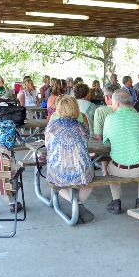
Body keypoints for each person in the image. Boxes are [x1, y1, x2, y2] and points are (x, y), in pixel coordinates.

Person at [103, 89, 139, 214]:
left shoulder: (109, 118)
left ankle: (116, 202)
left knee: (108, 167)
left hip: (118, 169)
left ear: (117, 103)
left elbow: (106, 142)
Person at [45, 95, 95, 223]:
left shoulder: (51, 126)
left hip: (58, 171)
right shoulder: (82, 127)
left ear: (59, 109)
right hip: (81, 172)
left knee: (57, 184)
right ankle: (78, 203)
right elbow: (86, 143)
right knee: (89, 184)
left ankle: (75, 204)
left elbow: (47, 146)